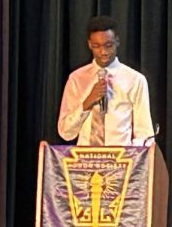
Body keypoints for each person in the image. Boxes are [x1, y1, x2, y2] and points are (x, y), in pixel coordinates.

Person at [57, 15, 155, 146]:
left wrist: (129, 158)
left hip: (121, 160)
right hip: (84, 161)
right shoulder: (77, 78)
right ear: (89, 45)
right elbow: (65, 132)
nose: (103, 52)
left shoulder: (135, 79)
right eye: (97, 46)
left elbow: (145, 134)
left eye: (108, 45)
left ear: (117, 42)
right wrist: (87, 102)